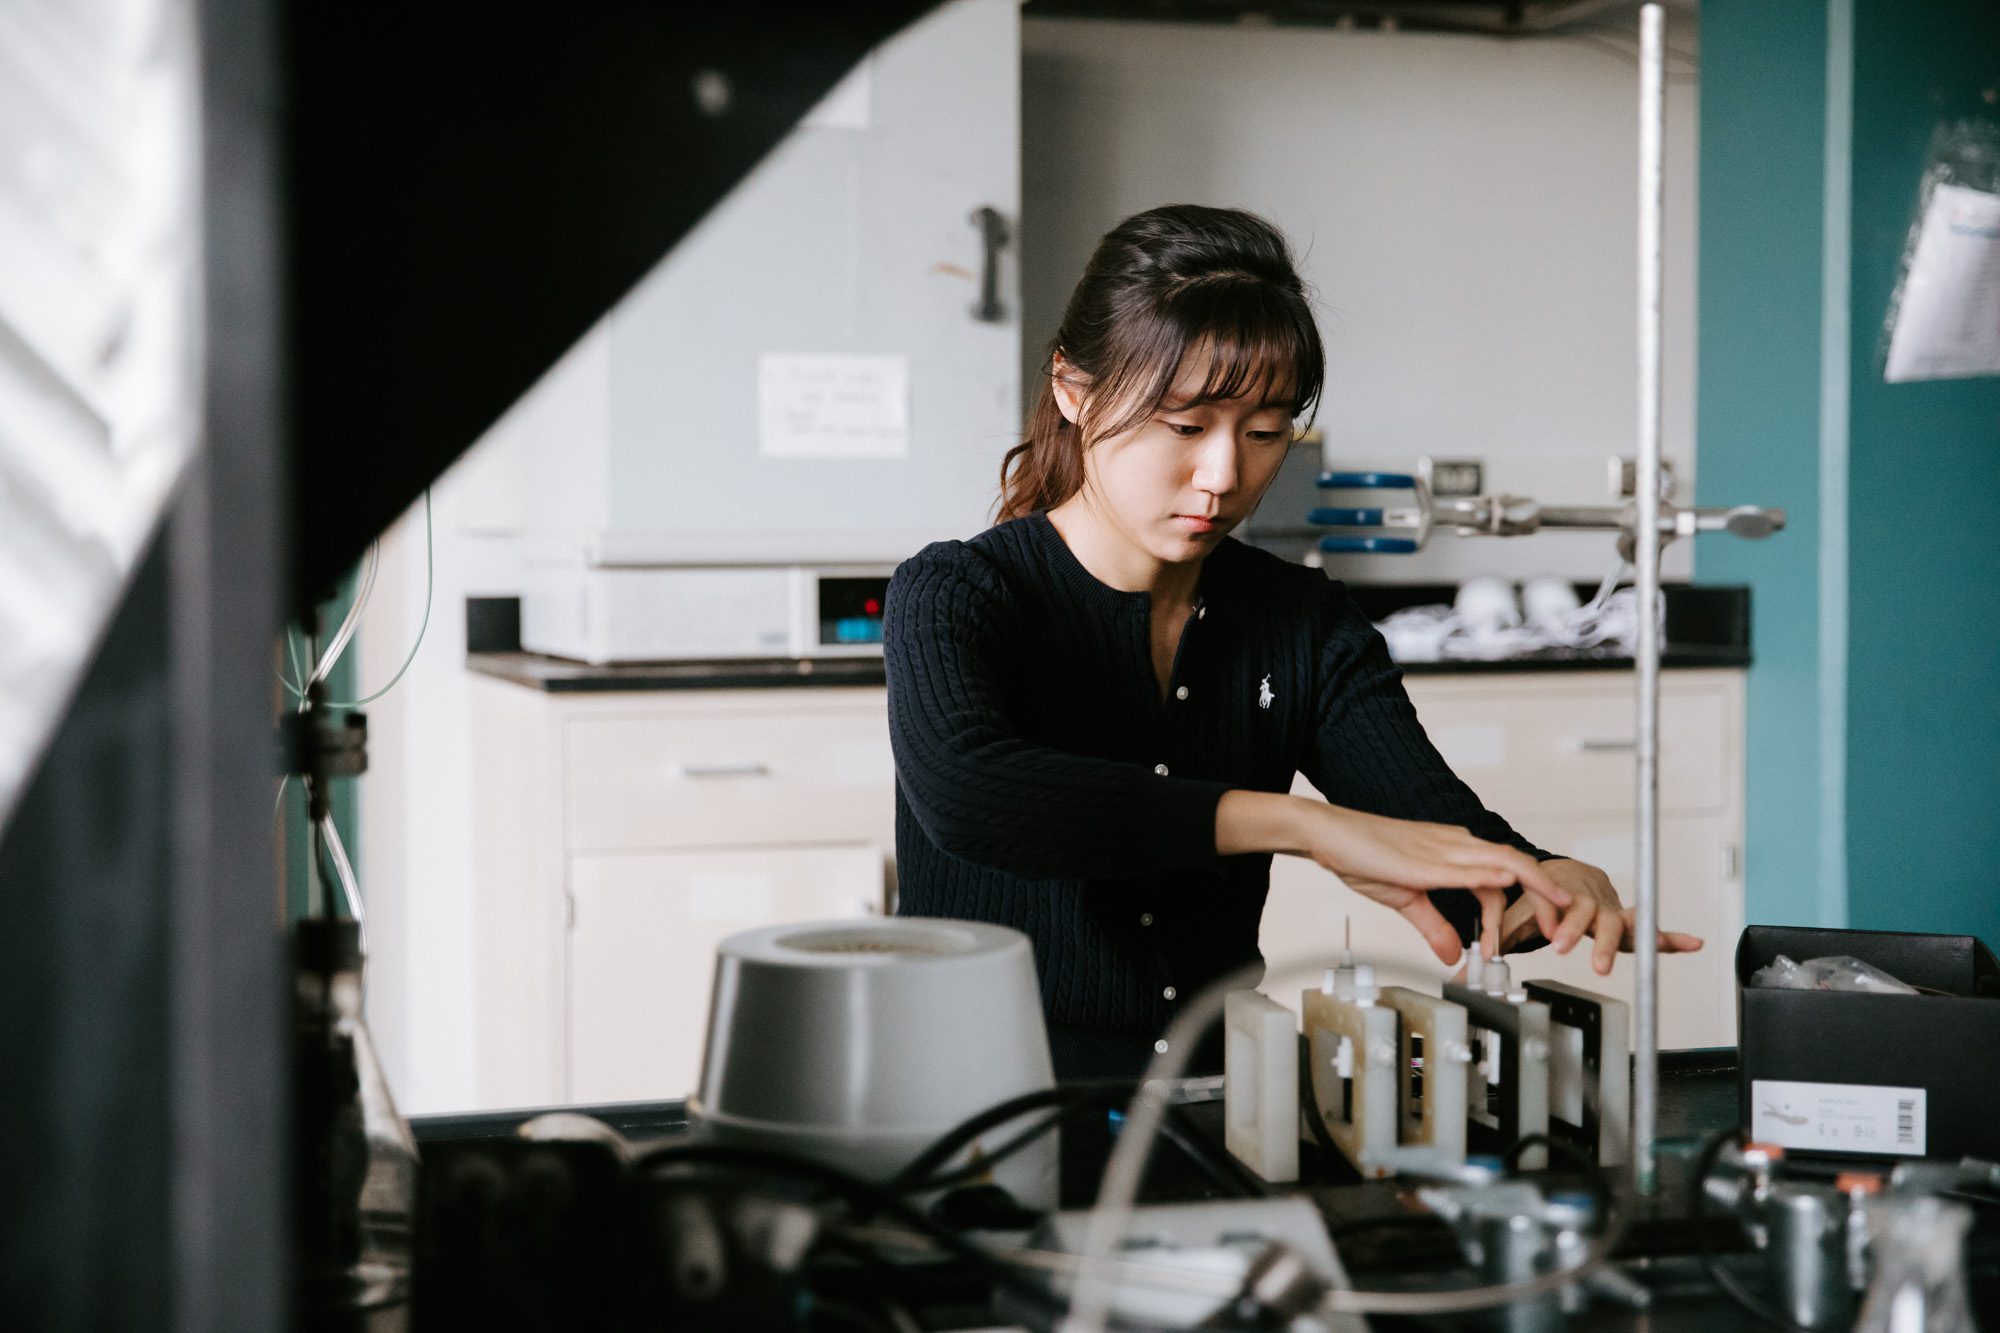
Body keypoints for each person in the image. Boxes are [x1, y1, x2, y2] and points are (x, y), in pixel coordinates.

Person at [883, 204, 1700, 1080]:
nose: (1226, 475)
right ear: (1074, 392)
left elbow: (1428, 838)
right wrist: (1301, 826)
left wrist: (1544, 883)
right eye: (1186, 426)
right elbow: (971, 793)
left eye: (1266, 432)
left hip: (1213, 1094)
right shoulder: (960, 591)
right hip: (976, 1098)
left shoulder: (1299, 621)